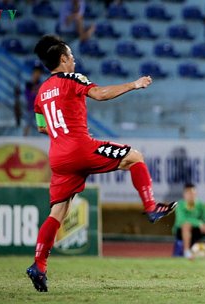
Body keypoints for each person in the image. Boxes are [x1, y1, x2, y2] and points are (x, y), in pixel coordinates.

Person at [26, 35, 177, 292]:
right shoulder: (72, 79)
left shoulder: (40, 92)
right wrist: (134, 84)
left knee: (57, 213)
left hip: (58, 156)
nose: (74, 59)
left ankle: (39, 265)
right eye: (71, 55)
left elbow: (43, 128)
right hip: (79, 147)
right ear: (63, 59)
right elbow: (99, 94)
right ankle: (151, 207)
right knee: (135, 157)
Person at [172, 183, 205, 259]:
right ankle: (186, 252)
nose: (191, 195)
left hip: (197, 230)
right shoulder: (180, 205)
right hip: (181, 231)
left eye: (193, 193)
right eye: (188, 193)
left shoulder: (200, 204)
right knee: (186, 225)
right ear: (184, 194)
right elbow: (181, 220)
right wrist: (199, 223)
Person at [23, 64, 44, 136]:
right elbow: (28, 97)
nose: (37, 74)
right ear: (33, 73)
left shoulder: (42, 85)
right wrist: (35, 94)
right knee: (27, 125)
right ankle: (25, 139)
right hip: (30, 109)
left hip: (39, 110)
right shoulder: (28, 84)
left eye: (39, 73)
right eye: (36, 72)